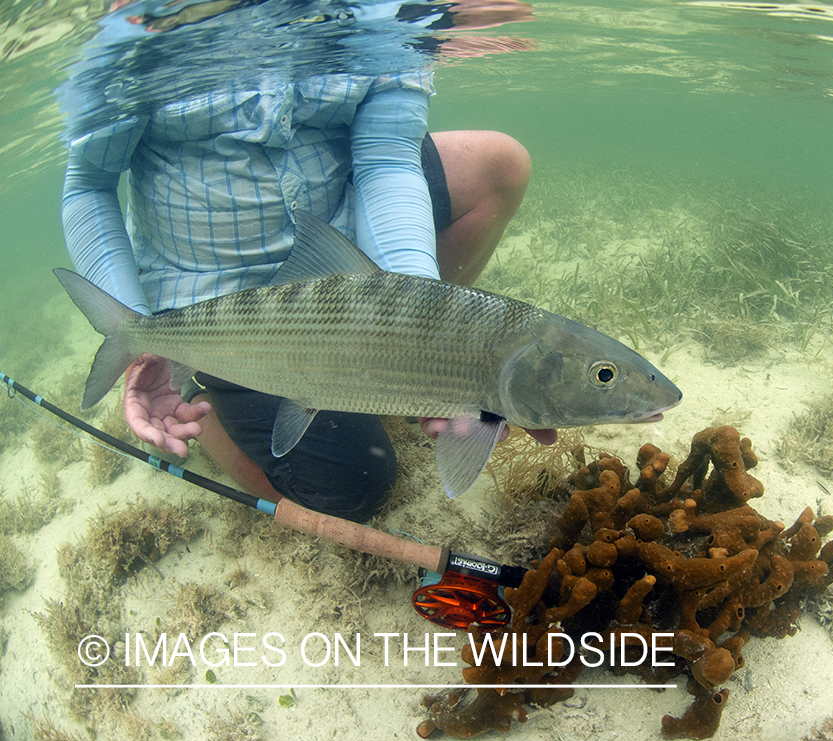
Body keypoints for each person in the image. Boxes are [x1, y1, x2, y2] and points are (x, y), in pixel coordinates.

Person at [61, 0, 551, 523]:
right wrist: (139, 330)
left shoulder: (374, 9)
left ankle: (394, 370)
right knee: (354, 492)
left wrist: (417, 321)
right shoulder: (143, 22)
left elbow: (386, 156)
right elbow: (89, 185)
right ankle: (201, 379)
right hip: (215, 287)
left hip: (338, 236)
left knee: (500, 164)